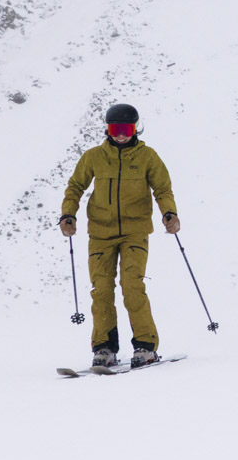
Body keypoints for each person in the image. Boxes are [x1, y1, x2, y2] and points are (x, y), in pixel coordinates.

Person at [60, 103, 179, 367]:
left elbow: (163, 189)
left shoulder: (148, 157)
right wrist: (68, 214)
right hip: (101, 232)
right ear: (107, 129)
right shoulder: (94, 157)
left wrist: (169, 213)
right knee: (101, 290)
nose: (121, 135)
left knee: (132, 285)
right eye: (115, 129)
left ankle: (146, 347)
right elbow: (75, 187)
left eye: (126, 129)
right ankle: (104, 349)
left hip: (135, 232)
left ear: (136, 128)